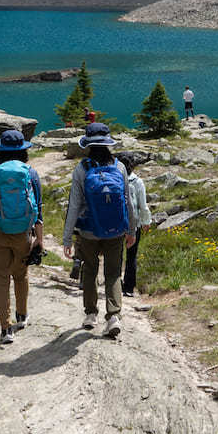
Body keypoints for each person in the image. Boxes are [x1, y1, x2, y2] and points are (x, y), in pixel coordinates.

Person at [62, 123, 137, 338]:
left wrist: (67, 238)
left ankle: (90, 314)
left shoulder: (82, 169)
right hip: (115, 230)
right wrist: (131, 229)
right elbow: (127, 202)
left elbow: (74, 205)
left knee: (89, 270)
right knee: (113, 272)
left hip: (88, 231)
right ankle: (113, 315)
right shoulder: (120, 167)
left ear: (88, 145)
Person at [0, 129, 42, 344]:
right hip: (23, 232)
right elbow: (38, 209)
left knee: (0, 279)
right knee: (21, 275)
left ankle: (6, 328)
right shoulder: (30, 172)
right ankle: (22, 316)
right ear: (23, 151)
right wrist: (39, 239)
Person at [118, 152, 152, 297]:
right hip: (134, 224)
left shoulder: (115, 179)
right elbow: (143, 205)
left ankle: (114, 283)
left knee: (116, 255)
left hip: (117, 224)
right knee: (132, 256)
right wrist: (146, 221)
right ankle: (129, 288)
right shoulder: (138, 182)